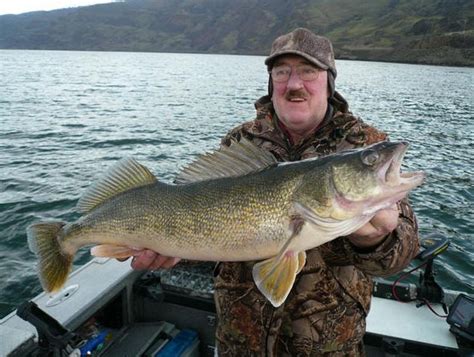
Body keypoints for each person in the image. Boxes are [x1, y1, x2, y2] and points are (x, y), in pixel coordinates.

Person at [129, 28, 420, 356]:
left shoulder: (365, 145)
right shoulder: (241, 141)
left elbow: (402, 252)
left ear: (329, 80)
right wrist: (173, 248)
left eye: (308, 71)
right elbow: (202, 217)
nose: (294, 84)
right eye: (282, 72)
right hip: (240, 340)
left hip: (329, 346)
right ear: (271, 81)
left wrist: (375, 241)